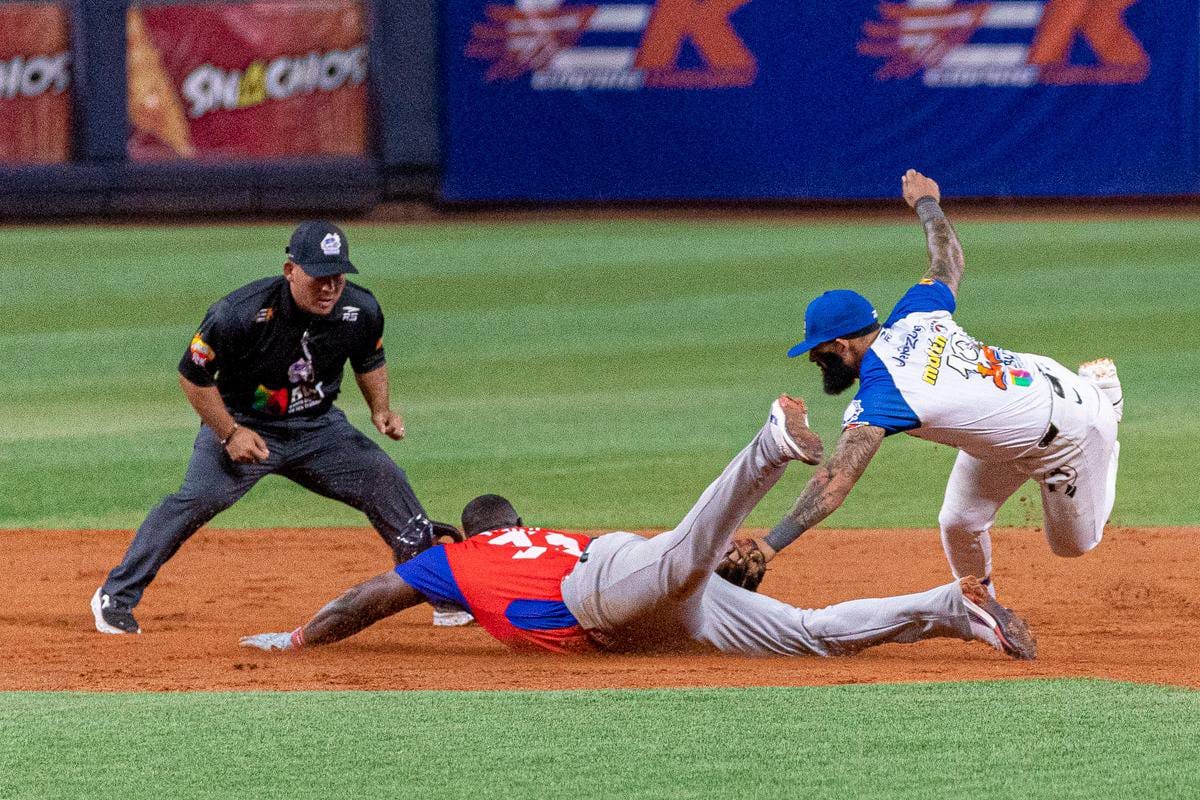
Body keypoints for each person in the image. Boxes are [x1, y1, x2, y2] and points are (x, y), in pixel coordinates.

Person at [240, 396, 1036, 661]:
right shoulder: (546, 536)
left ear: (467, 538)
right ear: (518, 522)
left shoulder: (454, 561)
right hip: (631, 583)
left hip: (603, 600)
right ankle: (952, 610)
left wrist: (301, 638)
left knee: (687, 557)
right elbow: (665, 570)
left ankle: (769, 447)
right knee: (808, 632)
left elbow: (367, 599)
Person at [718, 170, 1122, 597]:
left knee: (1073, 546)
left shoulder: (883, 395)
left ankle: (1108, 403)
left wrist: (768, 546)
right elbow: (947, 259)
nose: (815, 360)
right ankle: (980, 601)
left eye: (818, 351)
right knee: (959, 523)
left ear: (841, 344)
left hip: (1069, 432)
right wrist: (927, 203)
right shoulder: (915, 312)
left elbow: (834, 480)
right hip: (1024, 401)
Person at [92, 221, 468, 634]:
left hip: (319, 429)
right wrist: (230, 433)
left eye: (337, 276)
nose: (329, 287)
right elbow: (193, 376)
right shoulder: (238, 313)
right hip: (246, 424)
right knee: (196, 500)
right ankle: (115, 595)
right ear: (291, 270)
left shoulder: (360, 310)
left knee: (386, 480)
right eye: (319, 277)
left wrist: (381, 409)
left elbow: (369, 360)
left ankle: (441, 593)